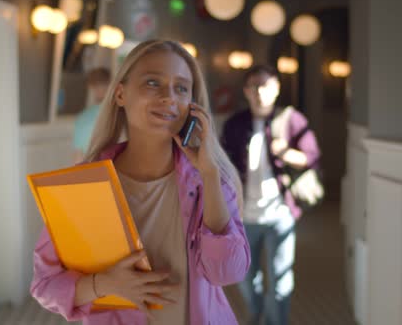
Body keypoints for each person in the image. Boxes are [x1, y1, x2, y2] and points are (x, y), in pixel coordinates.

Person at [30, 40, 251, 325]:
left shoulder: (210, 181)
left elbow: (227, 273)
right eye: (152, 83)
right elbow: (44, 285)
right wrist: (105, 285)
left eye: (181, 88)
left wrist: (209, 174)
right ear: (120, 94)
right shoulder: (80, 187)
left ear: (192, 104)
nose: (169, 97)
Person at [221, 65, 320, 325]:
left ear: (276, 89)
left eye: (265, 85)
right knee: (244, 276)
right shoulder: (235, 124)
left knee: (280, 281)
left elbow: (312, 157)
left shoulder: (291, 120)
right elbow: (222, 165)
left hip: (280, 214)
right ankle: (255, 315)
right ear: (246, 91)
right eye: (253, 86)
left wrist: (285, 152)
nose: (259, 91)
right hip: (244, 217)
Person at [73, 67, 111, 163]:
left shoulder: (82, 118)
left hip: (93, 173)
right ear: (111, 86)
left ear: (91, 87)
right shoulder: (122, 114)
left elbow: (78, 159)